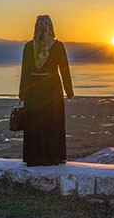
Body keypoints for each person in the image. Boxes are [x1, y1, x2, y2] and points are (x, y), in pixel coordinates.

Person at [18, 15, 73, 166]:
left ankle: (34, 157)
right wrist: (69, 91)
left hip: (33, 88)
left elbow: (25, 71)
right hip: (52, 88)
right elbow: (64, 69)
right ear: (51, 28)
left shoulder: (29, 46)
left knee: (35, 121)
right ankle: (53, 156)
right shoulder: (57, 46)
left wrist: (22, 91)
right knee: (52, 121)